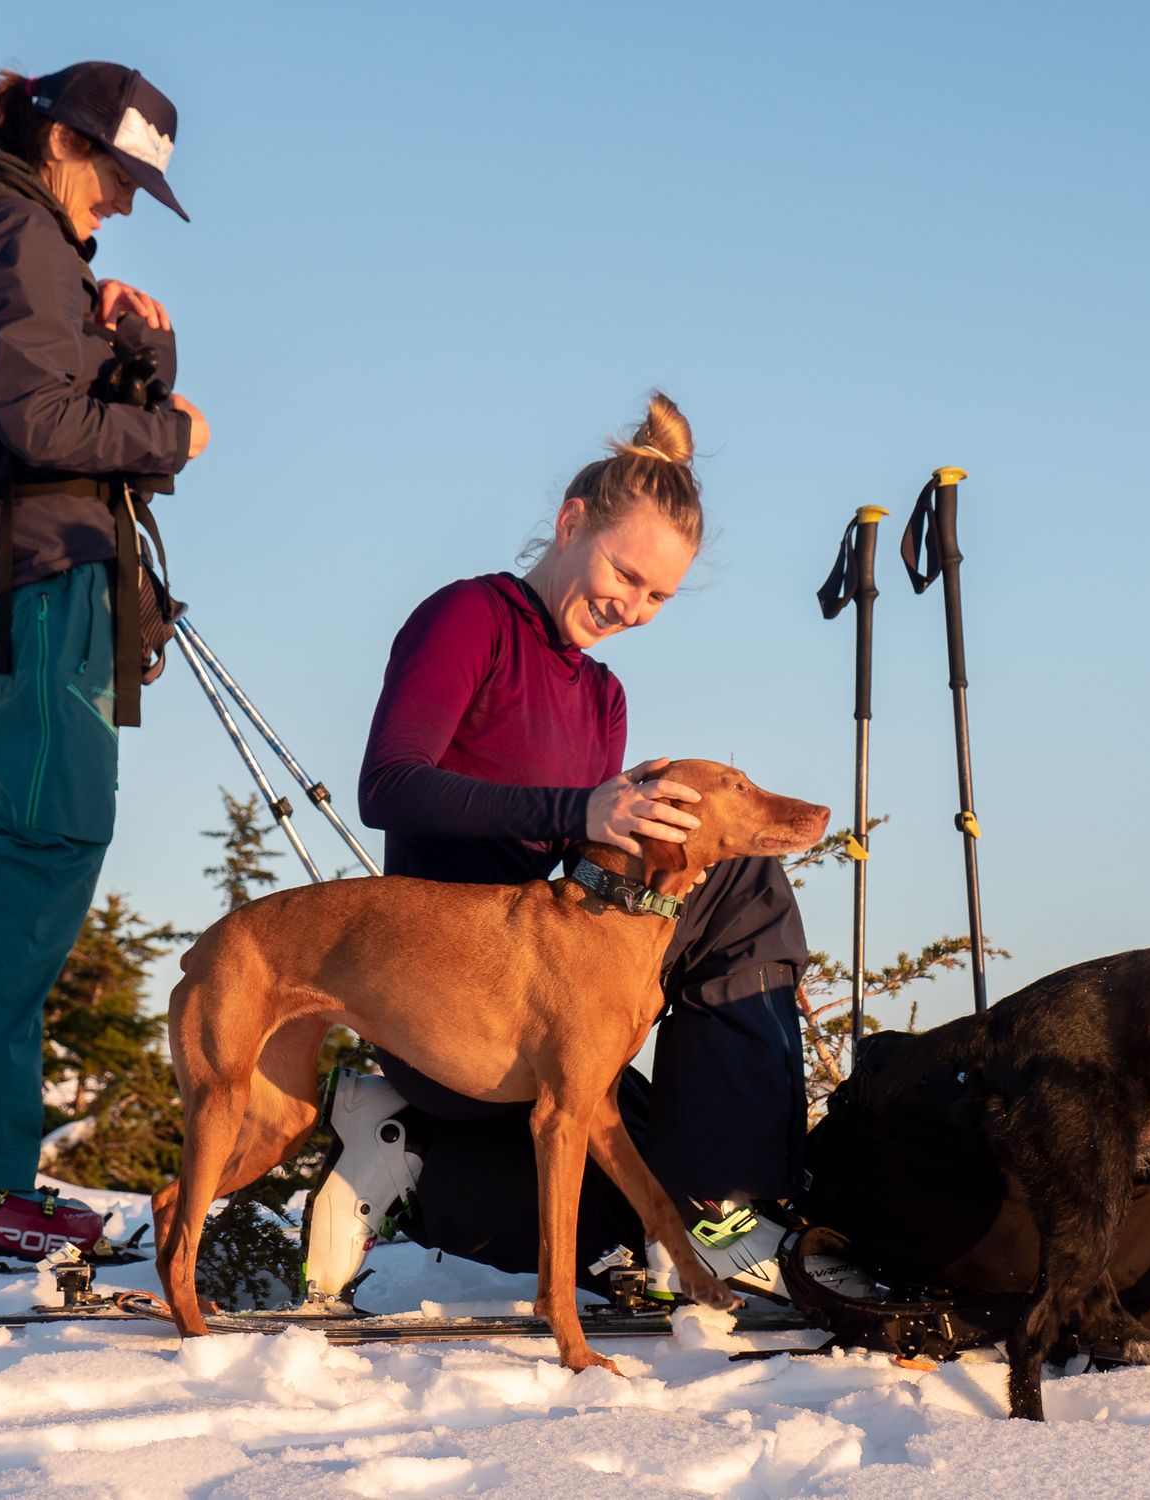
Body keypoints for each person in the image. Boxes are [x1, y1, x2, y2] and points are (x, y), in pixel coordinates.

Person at [300, 393, 819, 1304]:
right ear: (570, 523)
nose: (635, 607)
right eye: (627, 573)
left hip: (538, 989)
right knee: (748, 892)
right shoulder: (469, 618)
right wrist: (580, 809)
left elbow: (577, 884)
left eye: (659, 596)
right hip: (446, 991)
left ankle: (419, 1149)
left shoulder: (604, 696)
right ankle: (706, 1200)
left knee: (647, 1165)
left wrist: (654, 827)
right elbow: (388, 784)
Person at [0, 62, 209, 1266]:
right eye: (117, 175)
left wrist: (140, 352)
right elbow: (33, 424)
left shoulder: (11, 233)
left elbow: (58, 412)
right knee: (45, 850)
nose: (118, 202)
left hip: (33, 581)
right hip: (48, 582)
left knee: (6, 857)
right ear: (66, 143)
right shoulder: (20, 233)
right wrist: (176, 428)